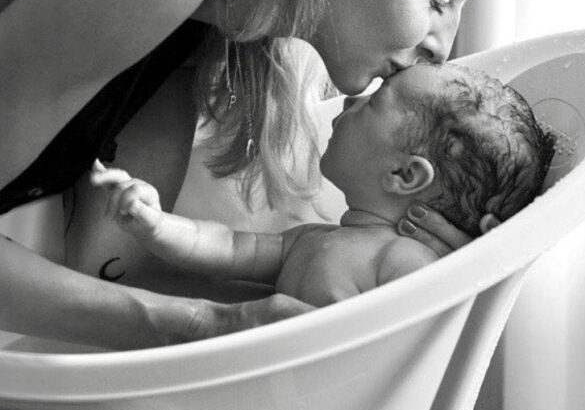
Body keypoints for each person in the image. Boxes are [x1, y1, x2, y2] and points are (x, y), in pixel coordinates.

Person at [0, 0, 513, 349]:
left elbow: (116, 271)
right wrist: (204, 324)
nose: (442, 49)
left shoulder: (195, 29)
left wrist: (380, 285)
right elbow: (147, 304)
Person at [93, 63, 555, 307]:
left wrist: (474, 268)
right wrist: (155, 224)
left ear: (404, 175)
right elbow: (226, 247)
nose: (353, 99)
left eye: (375, 102)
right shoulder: (313, 240)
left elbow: (429, 341)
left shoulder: (407, 263)